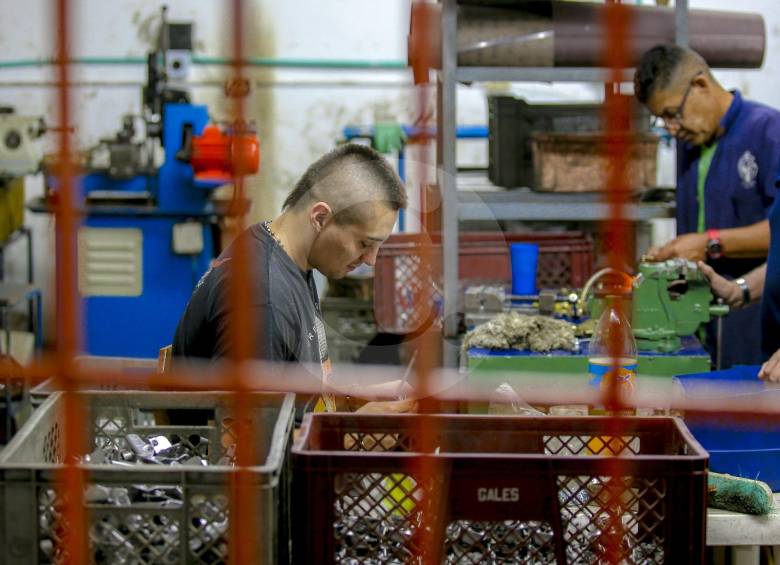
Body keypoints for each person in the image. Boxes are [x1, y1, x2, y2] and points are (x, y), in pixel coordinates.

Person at [172, 143, 415, 413]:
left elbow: (290, 388)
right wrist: (352, 433)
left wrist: (351, 399)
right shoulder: (263, 298)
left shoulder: (291, 259)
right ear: (320, 217)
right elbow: (249, 444)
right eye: (364, 244)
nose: (371, 259)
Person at [634, 44, 780, 367]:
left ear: (700, 85)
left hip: (753, 326)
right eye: (663, 121)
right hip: (706, 318)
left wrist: (709, 244)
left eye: (673, 114)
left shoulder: (769, 132)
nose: (672, 128)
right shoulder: (691, 145)